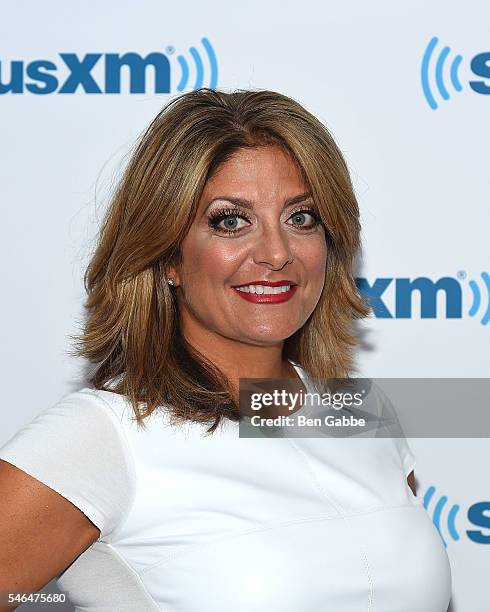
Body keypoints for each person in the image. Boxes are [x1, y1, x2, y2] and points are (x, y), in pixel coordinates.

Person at [0, 88, 452, 611]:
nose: (276, 252)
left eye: (301, 217)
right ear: (167, 255)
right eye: (230, 221)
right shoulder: (102, 437)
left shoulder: (363, 412)